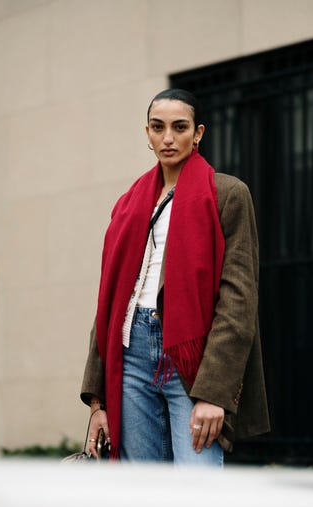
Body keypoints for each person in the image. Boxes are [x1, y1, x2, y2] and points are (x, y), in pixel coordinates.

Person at [81, 88, 270, 465]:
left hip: (190, 359)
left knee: (198, 495)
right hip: (131, 354)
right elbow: (110, 301)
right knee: (146, 498)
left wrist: (214, 391)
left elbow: (238, 300)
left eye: (179, 127)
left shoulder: (228, 194)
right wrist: (97, 401)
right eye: (158, 127)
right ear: (147, 133)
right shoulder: (128, 203)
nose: (168, 138)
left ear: (198, 133)